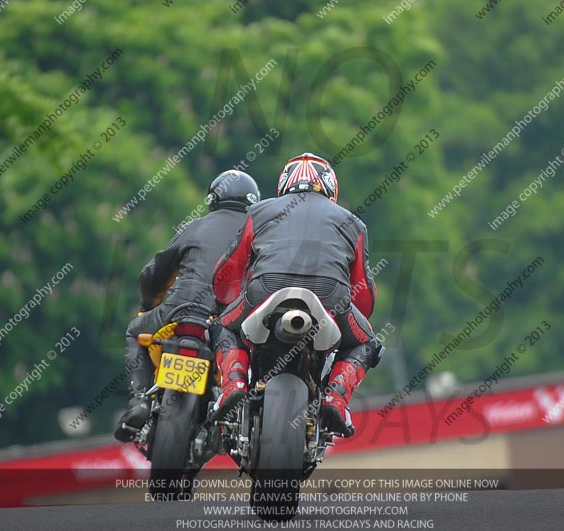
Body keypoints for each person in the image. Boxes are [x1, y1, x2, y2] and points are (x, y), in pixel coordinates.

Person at [210, 153, 382, 437]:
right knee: (367, 344)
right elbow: (365, 298)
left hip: (265, 291)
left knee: (221, 328)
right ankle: (335, 400)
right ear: (330, 187)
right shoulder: (354, 224)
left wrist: (228, 298)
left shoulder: (259, 211)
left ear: (284, 184)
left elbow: (228, 272)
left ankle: (234, 385)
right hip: (330, 298)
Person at [114, 170, 260, 442]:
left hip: (178, 311)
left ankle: (138, 403)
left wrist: (149, 305)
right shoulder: (260, 233)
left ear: (212, 199)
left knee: (135, 331)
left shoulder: (195, 226)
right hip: (230, 321)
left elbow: (153, 275)